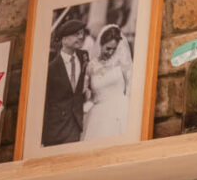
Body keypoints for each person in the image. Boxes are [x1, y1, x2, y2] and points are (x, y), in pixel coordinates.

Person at [41, 15, 89, 146]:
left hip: (75, 123)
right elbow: (45, 102)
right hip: (56, 128)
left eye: (82, 34)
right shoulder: (52, 68)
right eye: (76, 34)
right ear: (64, 40)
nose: (81, 37)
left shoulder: (83, 56)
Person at [83, 23, 132, 142]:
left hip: (120, 110)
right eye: (108, 48)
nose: (110, 52)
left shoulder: (122, 63)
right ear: (101, 44)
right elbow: (88, 93)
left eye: (114, 49)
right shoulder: (91, 66)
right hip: (98, 115)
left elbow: (130, 86)